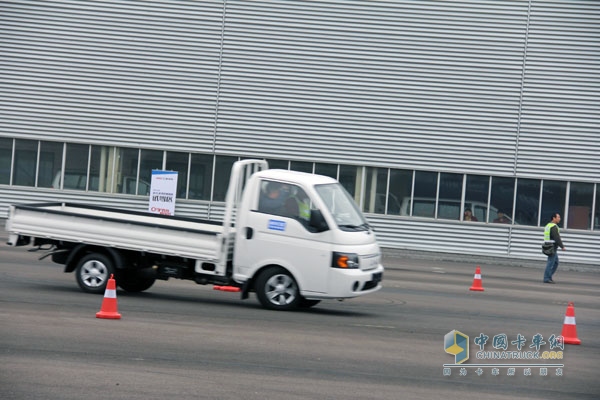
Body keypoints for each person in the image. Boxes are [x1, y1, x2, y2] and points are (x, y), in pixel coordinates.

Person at [543, 212, 566, 284]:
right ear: (554, 218)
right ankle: (547, 278)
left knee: (556, 263)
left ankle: (548, 276)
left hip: (548, 246)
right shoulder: (553, 227)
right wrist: (562, 246)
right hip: (552, 247)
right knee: (550, 263)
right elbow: (557, 238)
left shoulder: (548, 225)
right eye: (558, 217)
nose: (560, 218)